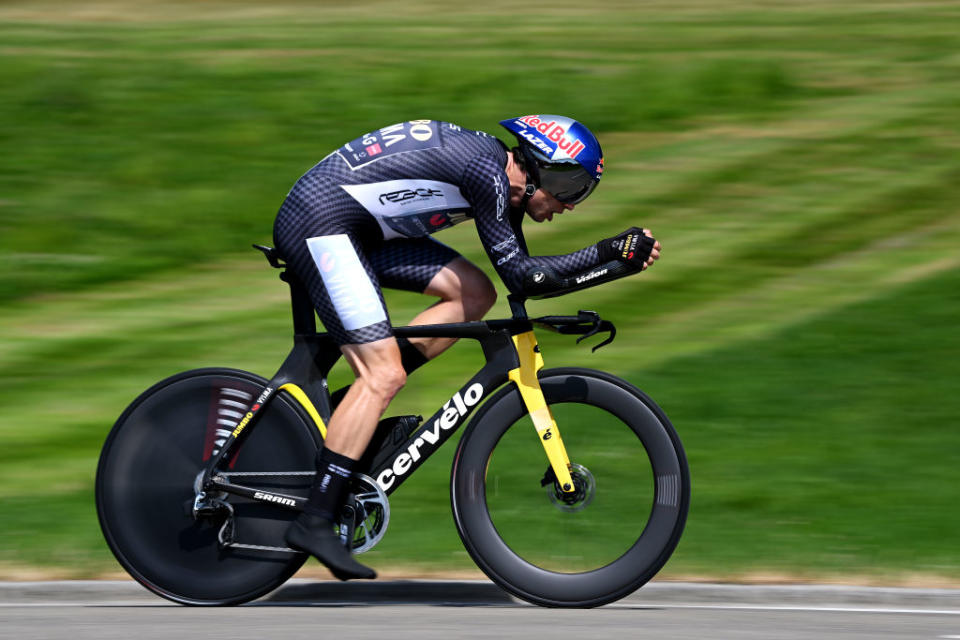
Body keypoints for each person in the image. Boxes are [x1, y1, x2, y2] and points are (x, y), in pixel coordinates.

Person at [273, 115, 661, 580]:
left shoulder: (502, 180)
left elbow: (521, 281)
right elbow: (524, 276)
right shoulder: (488, 173)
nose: (572, 204)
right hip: (321, 222)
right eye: (571, 187)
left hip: (361, 229)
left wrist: (615, 266)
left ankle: (354, 411)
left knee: (475, 295)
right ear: (542, 166)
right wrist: (607, 254)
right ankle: (314, 519)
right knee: (383, 374)